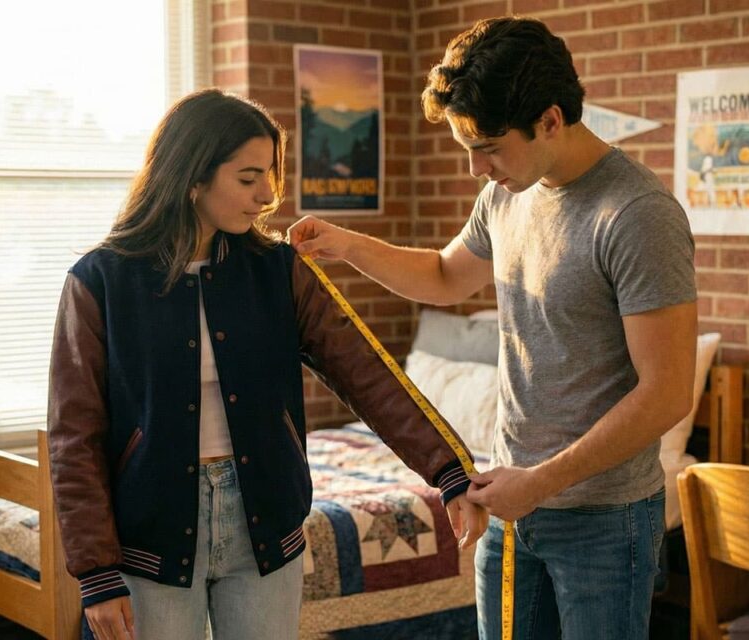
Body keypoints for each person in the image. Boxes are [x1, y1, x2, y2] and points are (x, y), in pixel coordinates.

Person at [287, 16, 697, 640]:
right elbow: (448, 277)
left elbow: (667, 392)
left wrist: (540, 482)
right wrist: (346, 245)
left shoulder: (637, 215)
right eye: (467, 149)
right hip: (509, 508)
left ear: (551, 119)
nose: (477, 168)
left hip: (603, 521)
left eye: (488, 148)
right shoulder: (507, 193)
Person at [47, 89, 487, 640]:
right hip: (150, 533)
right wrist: (95, 572)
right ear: (194, 175)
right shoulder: (99, 279)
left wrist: (446, 470)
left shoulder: (279, 269)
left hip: (264, 521)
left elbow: (365, 373)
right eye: (249, 177)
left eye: (272, 175)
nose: (268, 195)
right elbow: (74, 434)